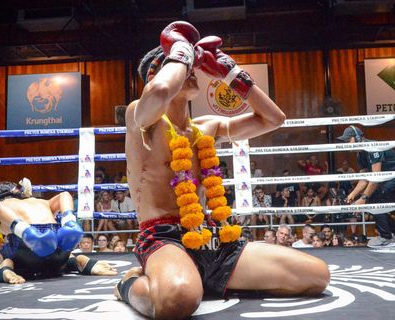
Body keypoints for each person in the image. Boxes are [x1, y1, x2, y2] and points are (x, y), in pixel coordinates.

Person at [115, 21, 330, 319]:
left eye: (193, 64)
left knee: (316, 276)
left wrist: (231, 75)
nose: (194, 70)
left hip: (212, 237)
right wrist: (182, 51)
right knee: (177, 301)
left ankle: (200, 277)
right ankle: (128, 283)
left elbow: (273, 119)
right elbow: (161, 90)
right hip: (164, 238)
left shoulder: (207, 126)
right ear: (161, 70)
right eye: (185, 65)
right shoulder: (141, 119)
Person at [0, 181, 117, 284]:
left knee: (1, 253)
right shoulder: (41, 202)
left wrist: (25, 231)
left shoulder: (4, 204)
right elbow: (64, 195)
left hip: (28, 251)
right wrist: (69, 219)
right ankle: (80, 260)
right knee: (55, 245)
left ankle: (8, 264)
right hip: (58, 255)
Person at [337, 126, 395, 248]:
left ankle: (386, 237)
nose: (346, 144)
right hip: (387, 180)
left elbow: (375, 178)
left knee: (373, 201)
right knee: (372, 202)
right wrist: (353, 194)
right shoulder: (360, 154)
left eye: (348, 140)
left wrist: (363, 198)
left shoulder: (373, 147)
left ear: (357, 138)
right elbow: (364, 179)